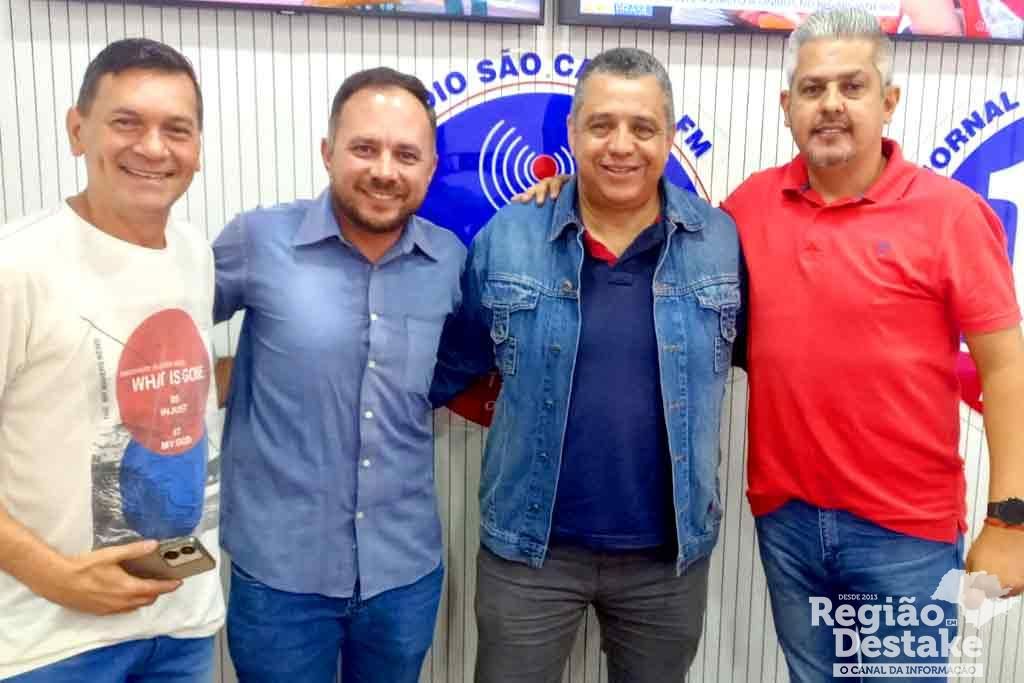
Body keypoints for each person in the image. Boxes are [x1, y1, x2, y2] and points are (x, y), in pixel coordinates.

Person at [724, 8, 1024, 681]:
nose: (831, 104)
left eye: (852, 86)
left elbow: (1007, 369)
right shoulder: (748, 207)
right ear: (786, 107)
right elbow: (659, 235)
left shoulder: (951, 214)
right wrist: (565, 197)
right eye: (813, 88)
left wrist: (1011, 521)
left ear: (888, 102)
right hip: (788, 522)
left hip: (905, 535)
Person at [430, 47, 742, 683]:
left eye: (642, 127)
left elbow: (771, 357)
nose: (621, 145)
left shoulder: (721, 241)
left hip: (669, 559)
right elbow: (447, 364)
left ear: (670, 137)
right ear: (573, 132)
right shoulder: (509, 236)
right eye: (601, 125)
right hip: (529, 554)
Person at [212, 67, 465, 682]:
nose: (385, 170)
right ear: (328, 152)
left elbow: (459, 362)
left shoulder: (451, 261)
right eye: (364, 148)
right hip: (280, 580)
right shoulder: (258, 241)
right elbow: (159, 327)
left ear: (431, 167)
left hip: (402, 577)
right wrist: (219, 376)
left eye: (406, 154)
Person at [0, 38, 223, 681]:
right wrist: (53, 575)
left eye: (176, 129)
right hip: (52, 644)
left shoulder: (193, 253)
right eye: (127, 122)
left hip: (183, 626)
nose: (153, 148)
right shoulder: (18, 266)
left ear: (197, 148)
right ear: (78, 131)